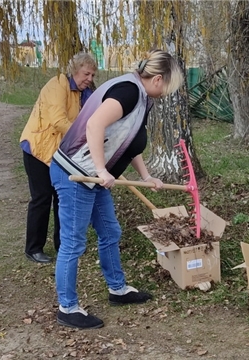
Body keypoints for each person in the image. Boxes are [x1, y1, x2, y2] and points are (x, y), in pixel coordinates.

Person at [50, 49, 183, 329]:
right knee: (73, 243)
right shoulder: (129, 91)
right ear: (158, 79)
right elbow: (95, 124)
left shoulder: (143, 98)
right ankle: (67, 307)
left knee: (110, 231)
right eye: (169, 87)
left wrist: (146, 176)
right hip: (75, 173)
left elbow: (129, 141)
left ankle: (118, 289)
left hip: (94, 177)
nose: (168, 93)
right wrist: (101, 170)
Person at [20, 53, 98, 264]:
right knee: (42, 198)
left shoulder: (85, 92)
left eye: (92, 74)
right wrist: (87, 136)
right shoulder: (58, 84)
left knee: (62, 198)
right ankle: (33, 248)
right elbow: (58, 121)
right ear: (74, 70)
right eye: (86, 73)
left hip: (61, 154)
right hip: (38, 149)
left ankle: (62, 244)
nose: (89, 78)